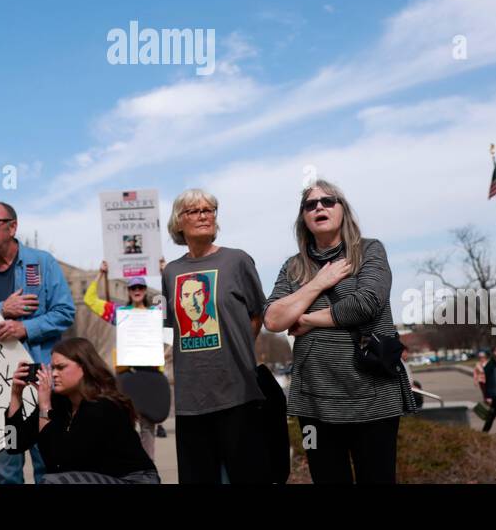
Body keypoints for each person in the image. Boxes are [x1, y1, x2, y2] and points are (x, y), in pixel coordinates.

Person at [264, 180, 417, 484]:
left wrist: (307, 320)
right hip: (314, 403)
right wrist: (319, 282)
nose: (319, 206)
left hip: (372, 395)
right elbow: (273, 319)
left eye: (328, 201)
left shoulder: (369, 250)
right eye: (310, 204)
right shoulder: (293, 267)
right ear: (303, 218)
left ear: (343, 210)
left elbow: (366, 303)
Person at [0, 201, 75, 484]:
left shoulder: (43, 263)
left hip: (41, 386)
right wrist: (1, 309)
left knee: (48, 467)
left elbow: (65, 312)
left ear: (12, 227)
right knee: (6, 473)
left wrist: (25, 328)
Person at [161, 188, 267, 484]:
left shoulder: (237, 261)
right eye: (194, 211)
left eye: (209, 210)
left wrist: (239, 349)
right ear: (178, 222)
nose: (204, 216)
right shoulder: (171, 272)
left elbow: (257, 314)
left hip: (237, 393)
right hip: (190, 399)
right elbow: (176, 328)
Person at [3, 337, 160, 484]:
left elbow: (58, 461)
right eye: (53, 368)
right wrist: (16, 395)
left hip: (132, 479)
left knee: (53, 481)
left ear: (84, 368)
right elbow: (12, 445)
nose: (54, 374)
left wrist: (44, 407)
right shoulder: (58, 403)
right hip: (97, 477)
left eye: (61, 367)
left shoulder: (104, 406)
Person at [84, 259, 168, 457]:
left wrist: (166, 272)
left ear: (145, 290)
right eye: (133, 287)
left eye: (140, 286)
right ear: (129, 291)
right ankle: (130, 467)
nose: (136, 290)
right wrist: (100, 273)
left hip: (151, 375)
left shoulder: (157, 313)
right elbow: (90, 299)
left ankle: (148, 468)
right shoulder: (119, 313)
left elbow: (174, 298)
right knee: (126, 423)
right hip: (127, 375)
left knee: (148, 427)